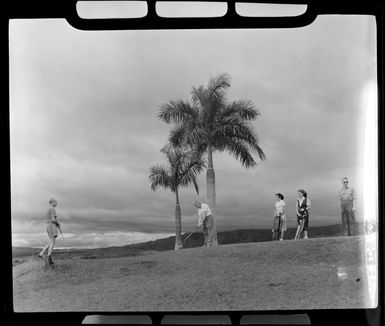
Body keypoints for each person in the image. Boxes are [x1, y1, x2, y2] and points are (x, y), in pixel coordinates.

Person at [38, 198, 60, 265]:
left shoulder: (48, 209)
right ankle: (49, 257)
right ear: (52, 202)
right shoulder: (52, 209)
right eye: (56, 202)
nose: (56, 203)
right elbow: (53, 219)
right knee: (53, 242)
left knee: (51, 241)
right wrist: (58, 224)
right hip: (52, 226)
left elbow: (50, 219)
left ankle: (41, 253)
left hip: (48, 226)